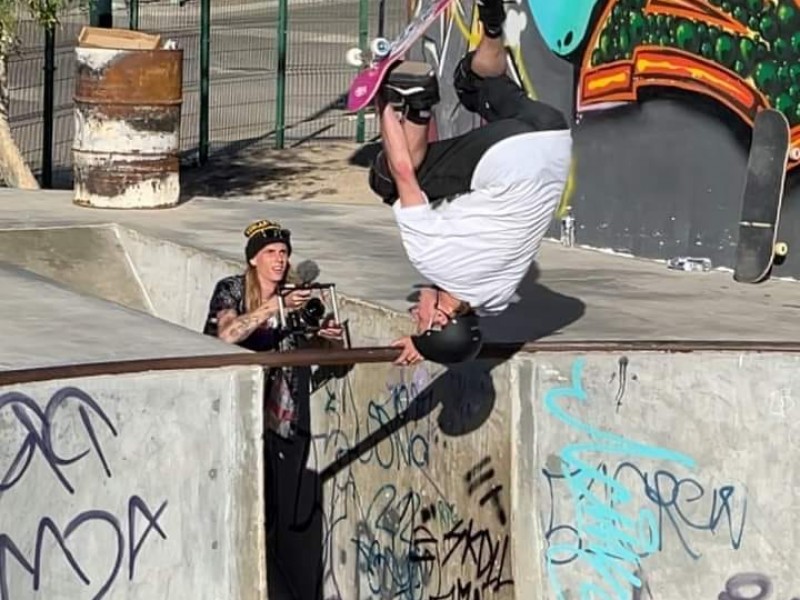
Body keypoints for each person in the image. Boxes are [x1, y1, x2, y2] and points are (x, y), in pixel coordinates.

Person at [368, 0, 573, 367]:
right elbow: (402, 170)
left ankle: (492, 29)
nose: (415, 312)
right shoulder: (431, 255)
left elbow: (460, 317)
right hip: (510, 157)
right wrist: (379, 95)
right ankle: (419, 101)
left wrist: (428, 340)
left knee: (473, 81)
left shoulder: (494, 299)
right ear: (441, 318)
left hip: (554, 137)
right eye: (421, 320)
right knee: (387, 180)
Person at [203, 219, 343, 436]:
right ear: (253, 259)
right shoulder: (231, 289)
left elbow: (318, 353)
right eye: (270, 252)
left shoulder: (296, 297)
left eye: (283, 252)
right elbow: (227, 335)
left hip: (284, 413)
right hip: (234, 403)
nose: (279, 259)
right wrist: (277, 305)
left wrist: (329, 337)